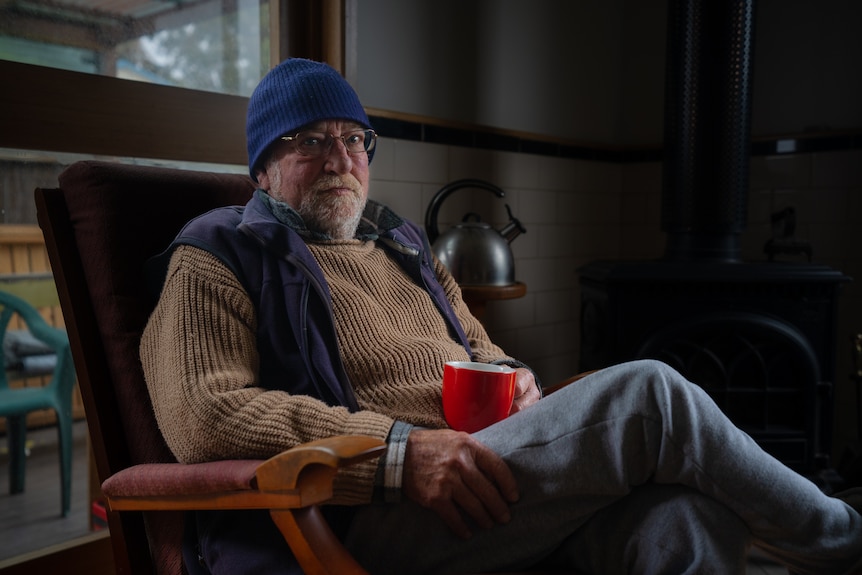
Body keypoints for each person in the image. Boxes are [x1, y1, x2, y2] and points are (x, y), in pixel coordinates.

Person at [139, 57, 862, 575]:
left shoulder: (403, 248)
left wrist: (516, 382)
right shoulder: (218, 253)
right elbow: (205, 414)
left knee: (684, 519)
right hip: (366, 511)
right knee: (651, 394)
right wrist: (396, 455)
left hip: (485, 475)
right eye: (310, 140)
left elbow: (485, 352)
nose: (341, 158)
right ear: (261, 169)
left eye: (355, 139)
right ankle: (844, 537)